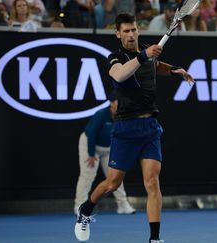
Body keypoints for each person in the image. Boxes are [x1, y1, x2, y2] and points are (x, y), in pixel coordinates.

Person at [74, 13, 195, 243]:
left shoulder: (148, 51)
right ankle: (86, 210)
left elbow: (155, 65)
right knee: (112, 183)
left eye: (134, 30)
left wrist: (174, 70)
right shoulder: (115, 57)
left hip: (150, 126)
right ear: (118, 34)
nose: (131, 34)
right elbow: (120, 75)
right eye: (126, 31)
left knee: (152, 182)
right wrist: (143, 55)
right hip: (126, 128)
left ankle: (155, 239)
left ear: (138, 31)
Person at [73, 93, 135, 215]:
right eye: (117, 102)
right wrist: (91, 154)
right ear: (111, 103)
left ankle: (123, 205)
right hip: (90, 146)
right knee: (87, 176)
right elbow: (91, 133)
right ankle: (79, 206)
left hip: (108, 149)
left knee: (115, 177)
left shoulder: (123, 117)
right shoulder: (101, 115)